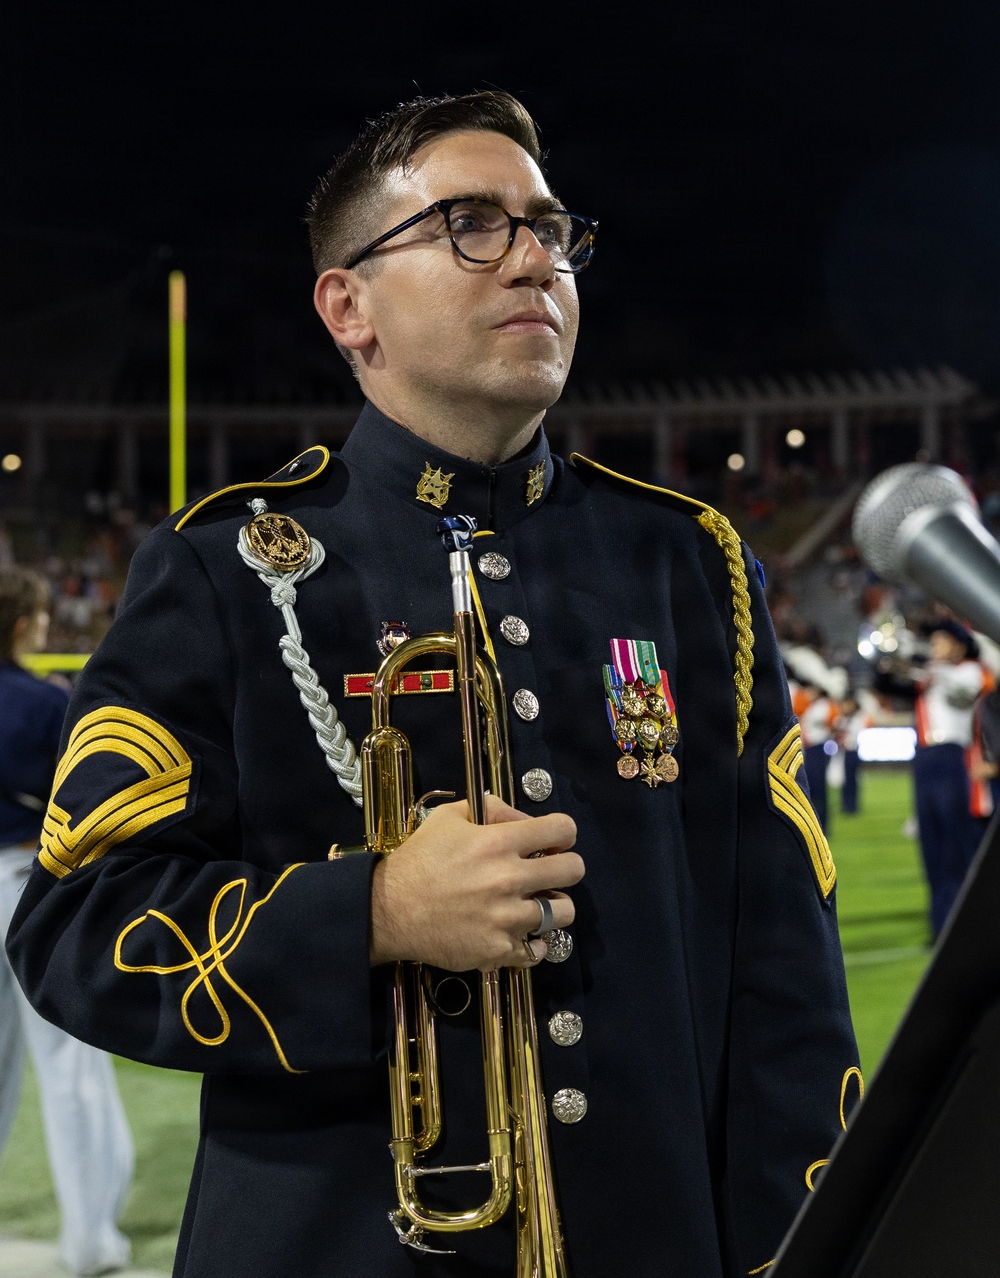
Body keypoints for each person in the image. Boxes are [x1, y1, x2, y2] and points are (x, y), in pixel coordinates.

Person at [7, 91, 858, 1278]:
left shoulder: (687, 561)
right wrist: (373, 912)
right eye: (470, 222)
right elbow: (74, 929)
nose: (533, 256)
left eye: (552, 227)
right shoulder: (221, 569)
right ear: (347, 306)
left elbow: (784, 973)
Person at [0, 566, 134, 1277]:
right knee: (69, 1064)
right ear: (24, 627)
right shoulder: (43, 702)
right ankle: (89, 1242)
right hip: (26, 881)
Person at [912, 618, 987, 937]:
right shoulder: (931, 675)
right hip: (925, 757)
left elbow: (962, 693)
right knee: (931, 844)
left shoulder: (968, 671)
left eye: (941, 641)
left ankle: (961, 924)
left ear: (958, 645)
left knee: (954, 845)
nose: (934, 647)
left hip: (952, 757)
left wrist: (932, 668)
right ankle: (939, 923)